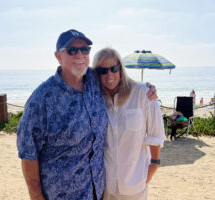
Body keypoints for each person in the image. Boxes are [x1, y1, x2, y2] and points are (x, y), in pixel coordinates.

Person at [17, 29, 157, 200]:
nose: (80, 55)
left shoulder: (95, 80)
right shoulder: (42, 99)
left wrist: (146, 89)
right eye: (72, 50)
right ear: (58, 56)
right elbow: (28, 153)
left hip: (98, 192)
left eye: (85, 49)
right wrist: (36, 195)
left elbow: (115, 76)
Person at [92, 47, 165, 200]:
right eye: (103, 71)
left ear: (121, 69)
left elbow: (155, 135)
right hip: (107, 185)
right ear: (96, 74)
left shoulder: (143, 93)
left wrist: (153, 167)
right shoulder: (96, 100)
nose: (109, 75)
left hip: (135, 184)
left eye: (114, 68)